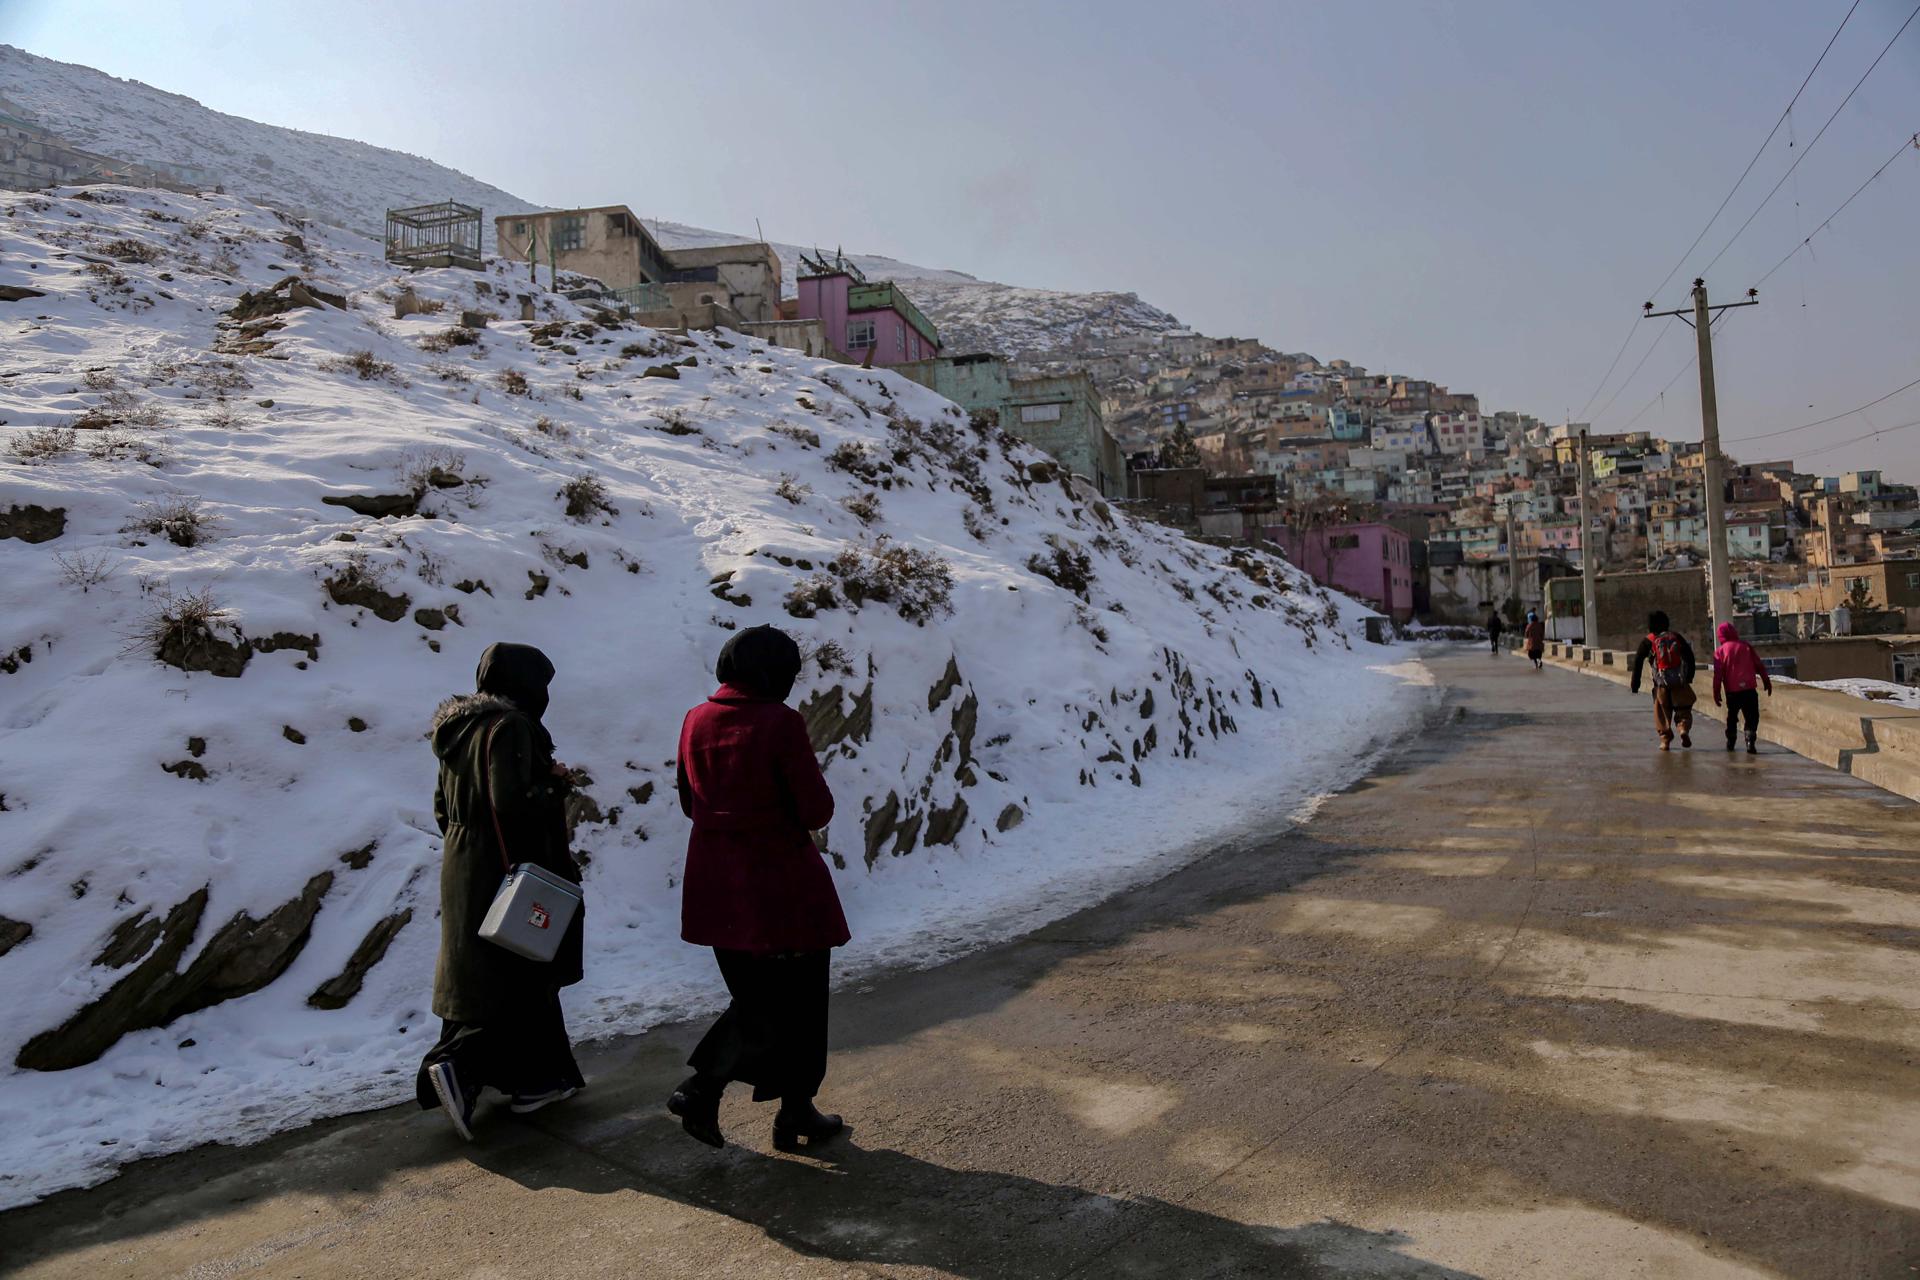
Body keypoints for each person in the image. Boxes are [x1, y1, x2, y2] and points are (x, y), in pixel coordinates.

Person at [669, 625, 849, 1152]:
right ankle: (707, 1088)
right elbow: (815, 809)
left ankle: (794, 1110)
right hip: (779, 884)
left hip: (716, 881)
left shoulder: (694, 719)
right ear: (774, 673)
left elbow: (688, 801)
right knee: (795, 1001)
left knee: (757, 997)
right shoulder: (780, 722)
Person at [418, 642, 586, 1140]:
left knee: (486, 972)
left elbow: (442, 809)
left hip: (463, 863)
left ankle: (545, 1078)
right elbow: (512, 803)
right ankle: (463, 1069)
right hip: (508, 868)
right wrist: (556, 783)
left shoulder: (457, 729)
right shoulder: (512, 726)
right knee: (521, 973)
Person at [1629, 610, 1698, 751]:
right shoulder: (1675, 636)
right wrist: (1689, 677)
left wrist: (1635, 684)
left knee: (1661, 713)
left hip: (1660, 685)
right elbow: (1689, 657)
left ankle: (1665, 740)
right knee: (1683, 709)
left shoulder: (1648, 641)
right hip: (1679, 682)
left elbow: (1637, 662)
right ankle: (1683, 728)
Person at [1711, 621, 1773, 754]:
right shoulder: (1746, 646)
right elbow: (1759, 665)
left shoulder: (1720, 652)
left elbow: (1718, 676)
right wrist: (1766, 681)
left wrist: (1716, 692)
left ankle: (1731, 740)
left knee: (1732, 716)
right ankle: (1750, 739)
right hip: (1749, 690)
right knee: (1752, 716)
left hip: (1732, 692)